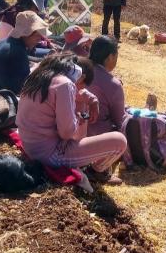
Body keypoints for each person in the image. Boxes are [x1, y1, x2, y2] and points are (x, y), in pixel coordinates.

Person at [16, 56, 128, 185]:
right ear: (81, 77)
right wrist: (82, 116)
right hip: (50, 155)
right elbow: (68, 134)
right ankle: (96, 170)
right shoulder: (65, 84)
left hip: (30, 145)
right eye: (80, 86)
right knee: (119, 141)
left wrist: (88, 101)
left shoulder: (40, 73)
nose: (79, 90)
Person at [0, 11, 48, 94]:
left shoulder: (1, 43)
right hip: (7, 97)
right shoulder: (18, 52)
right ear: (26, 34)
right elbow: (24, 86)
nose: (39, 40)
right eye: (37, 36)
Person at [86, 36, 127, 136]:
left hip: (73, 132)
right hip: (98, 137)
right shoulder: (113, 84)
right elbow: (120, 121)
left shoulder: (80, 70)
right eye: (116, 56)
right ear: (110, 57)